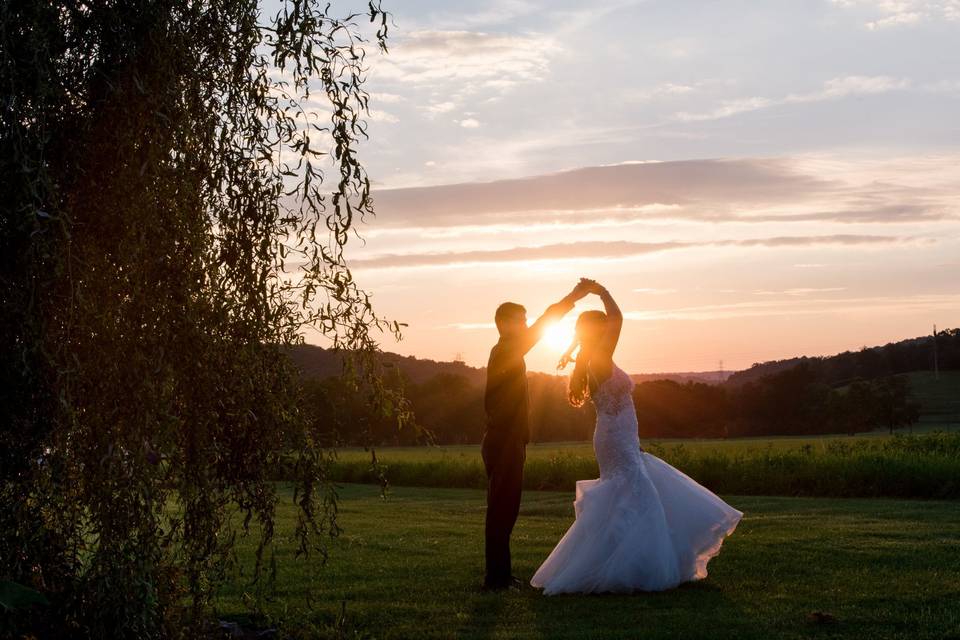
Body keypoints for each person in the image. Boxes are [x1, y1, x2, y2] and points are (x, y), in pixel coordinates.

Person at [531, 281, 743, 594]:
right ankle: (633, 569)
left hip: (617, 435)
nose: (608, 331)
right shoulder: (599, 357)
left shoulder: (591, 359)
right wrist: (601, 292)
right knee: (637, 496)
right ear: (597, 332)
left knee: (628, 497)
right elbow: (618, 319)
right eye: (603, 328)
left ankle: (624, 562)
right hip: (615, 435)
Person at [481, 279, 594, 590]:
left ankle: (500, 574)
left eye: (525, 320)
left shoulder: (505, 350)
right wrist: (574, 296)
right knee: (502, 509)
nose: (526, 324)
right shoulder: (507, 348)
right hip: (504, 441)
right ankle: (496, 578)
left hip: (506, 439)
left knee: (504, 509)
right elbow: (547, 320)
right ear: (505, 323)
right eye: (521, 320)